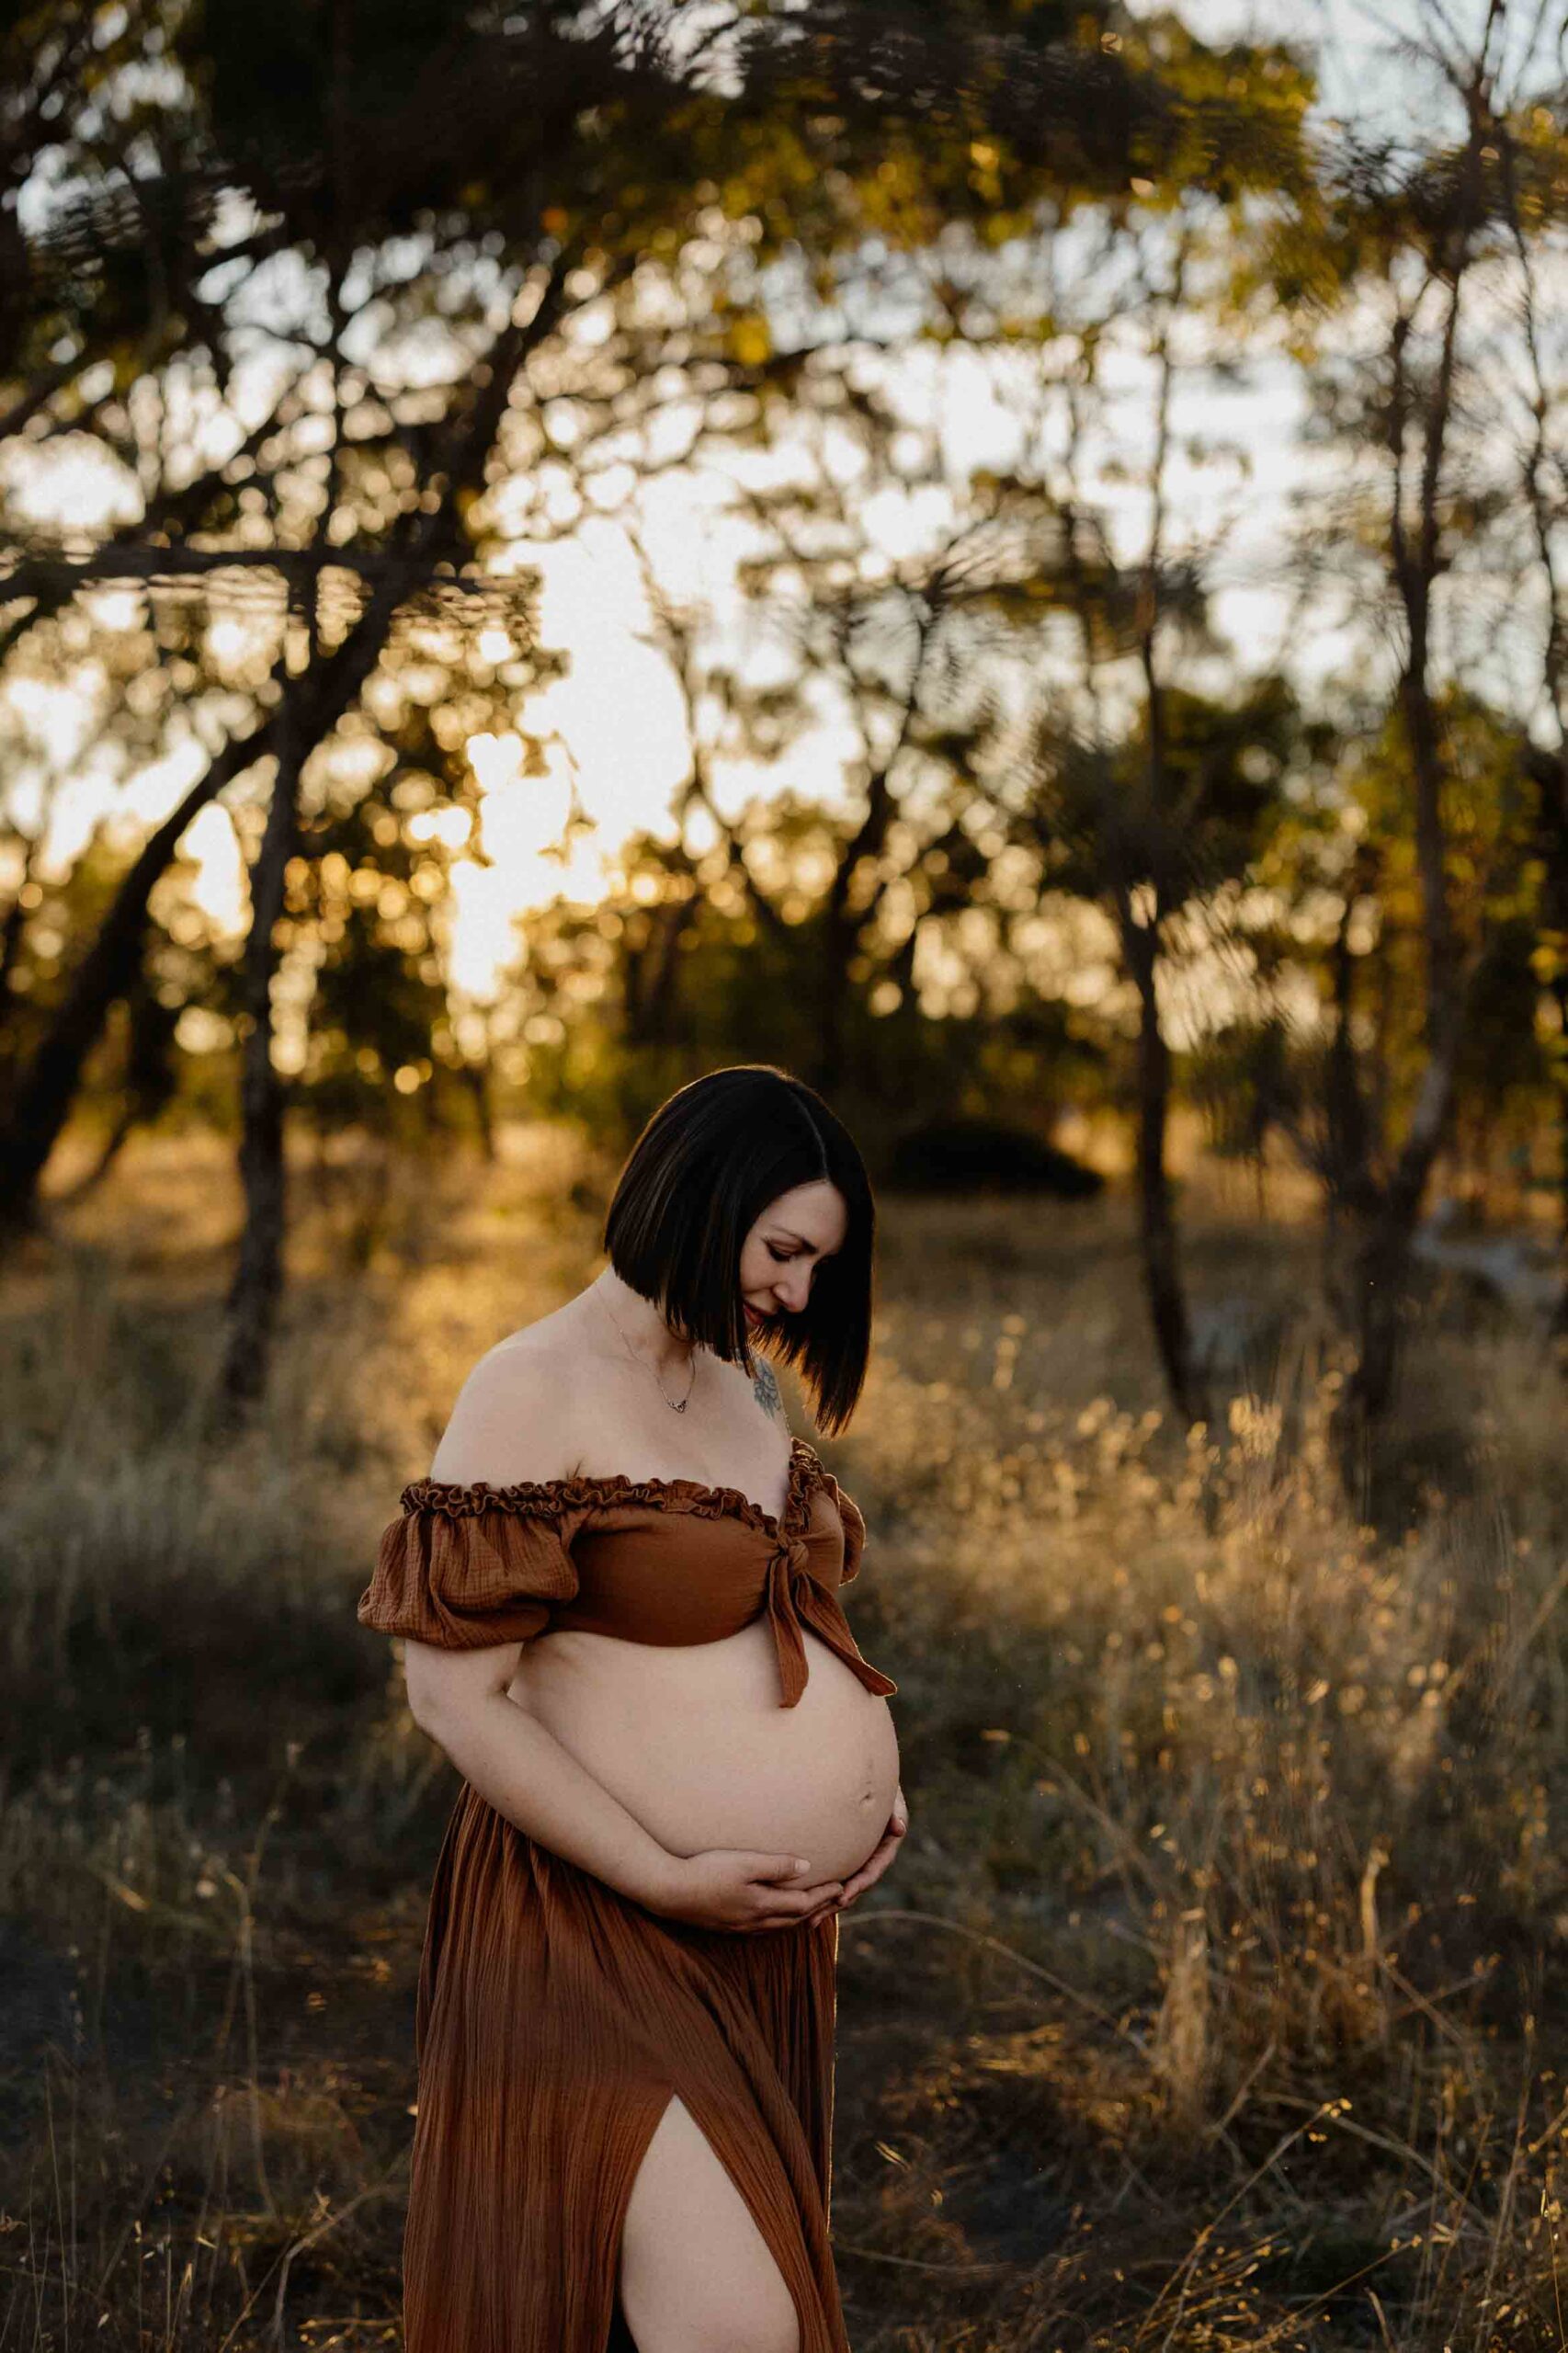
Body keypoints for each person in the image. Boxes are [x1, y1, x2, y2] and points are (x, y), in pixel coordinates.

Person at [357, 1063, 909, 2352]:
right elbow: (452, 1698)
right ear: (699, 1197)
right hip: (591, 1914)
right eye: (782, 1251)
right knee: (732, 2329)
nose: (795, 1294)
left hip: (755, 1928)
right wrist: (661, 1876)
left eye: (819, 1266)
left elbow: (791, 1611)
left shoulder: (745, 1380)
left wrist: (869, 1790)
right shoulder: (529, 1384)